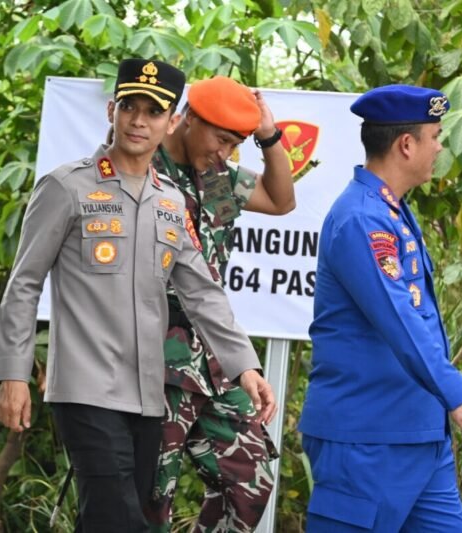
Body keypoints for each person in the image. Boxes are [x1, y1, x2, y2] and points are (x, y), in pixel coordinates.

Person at [0, 58, 277, 533]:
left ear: (171, 122)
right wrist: (13, 374)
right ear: (112, 111)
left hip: (147, 396)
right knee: (121, 521)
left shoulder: (169, 202)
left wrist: (245, 366)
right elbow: (24, 283)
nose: (138, 121)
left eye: (152, 111)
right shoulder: (67, 186)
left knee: (109, 518)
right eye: (130, 107)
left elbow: (202, 293)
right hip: (86, 389)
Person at [298, 85, 462, 532]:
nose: (441, 145)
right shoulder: (361, 219)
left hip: (420, 435)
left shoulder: (391, 213)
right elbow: (399, 319)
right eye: (435, 135)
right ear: (407, 144)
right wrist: (458, 393)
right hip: (367, 440)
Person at [144, 76, 295, 532]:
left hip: (211, 358)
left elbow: (281, 200)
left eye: (234, 145)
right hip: (154, 359)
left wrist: (269, 136)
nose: (224, 153)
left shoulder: (215, 178)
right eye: (221, 139)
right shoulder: (142, 168)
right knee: (150, 496)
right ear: (188, 117)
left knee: (252, 479)